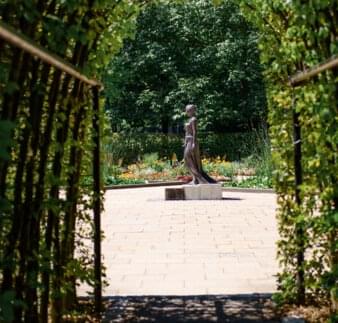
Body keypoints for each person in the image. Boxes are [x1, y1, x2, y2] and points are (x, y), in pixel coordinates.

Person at [183, 104, 217, 184]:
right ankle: (195, 179)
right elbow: (187, 132)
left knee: (188, 159)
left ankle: (200, 179)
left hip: (192, 141)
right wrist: (185, 142)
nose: (187, 112)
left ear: (192, 111)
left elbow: (195, 132)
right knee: (190, 161)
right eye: (186, 110)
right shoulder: (190, 119)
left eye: (188, 110)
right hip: (188, 141)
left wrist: (194, 143)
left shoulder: (193, 119)